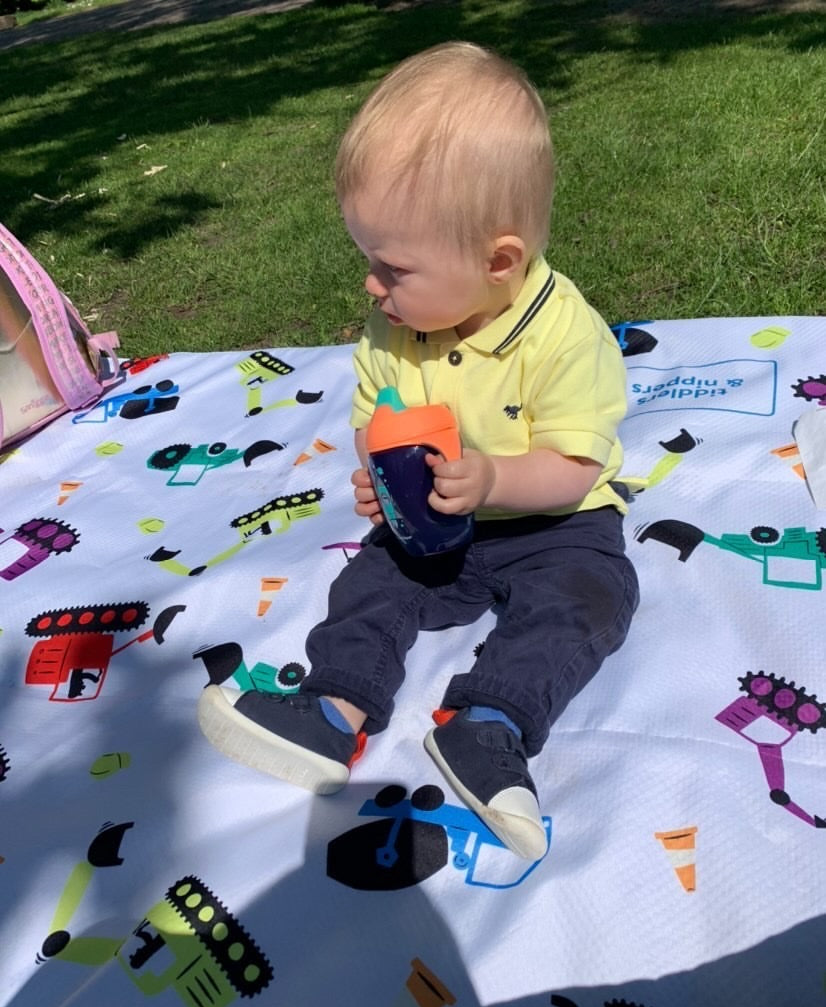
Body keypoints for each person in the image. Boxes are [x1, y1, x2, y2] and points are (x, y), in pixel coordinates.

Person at [197, 41, 639, 861]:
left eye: (391, 267)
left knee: (591, 597)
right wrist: (376, 474)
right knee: (374, 578)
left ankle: (490, 725)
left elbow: (577, 465)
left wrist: (497, 477)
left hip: (553, 519)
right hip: (436, 516)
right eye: (368, 260)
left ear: (497, 261)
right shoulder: (397, 323)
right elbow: (376, 416)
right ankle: (333, 711)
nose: (371, 286)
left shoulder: (564, 332)